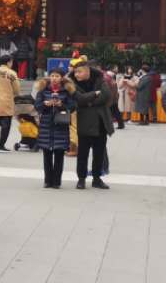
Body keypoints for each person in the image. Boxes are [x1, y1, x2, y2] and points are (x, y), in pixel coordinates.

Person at [71, 59, 113, 190]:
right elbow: (79, 99)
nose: (76, 74)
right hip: (84, 122)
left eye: (79, 72)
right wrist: (94, 94)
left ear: (87, 71)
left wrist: (88, 102)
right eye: (75, 72)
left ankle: (97, 179)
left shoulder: (100, 79)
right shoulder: (72, 83)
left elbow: (106, 95)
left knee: (99, 153)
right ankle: (81, 179)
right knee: (82, 154)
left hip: (100, 122)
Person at [34, 70, 75, 188]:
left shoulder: (67, 91)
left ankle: (57, 182)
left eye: (57, 76)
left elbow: (72, 107)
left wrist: (61, 105)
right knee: (46, 155)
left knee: (59, 155)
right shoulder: (43, 90)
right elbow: (37, 106)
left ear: (61, 78)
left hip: (61, 126)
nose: (54, 78)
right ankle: (47, 181)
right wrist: (45, 104)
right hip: (46, 126)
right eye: (52, 76)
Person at [0, 56, 19, 151]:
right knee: (6, 125)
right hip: (6, 101)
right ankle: (1, 144)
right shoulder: (12, 73)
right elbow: (16, 89)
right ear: (8, 62)